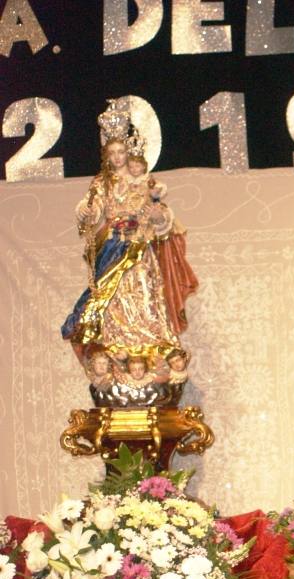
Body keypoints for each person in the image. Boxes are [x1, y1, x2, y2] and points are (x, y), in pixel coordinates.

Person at [60, 101, 198, 390]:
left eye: (121, 152)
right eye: (112, 153)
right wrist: (86, 211)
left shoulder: (144, 180)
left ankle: (150, 347)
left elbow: (161, 214)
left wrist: (159, 216)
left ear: (130, 153)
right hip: (113, 249)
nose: (118, 158)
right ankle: (117, 347)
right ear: (106, 156)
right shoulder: (101, 182)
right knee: (115, 299)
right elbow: (93, 210)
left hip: (138, 249)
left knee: (145, 295)